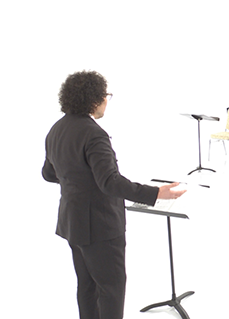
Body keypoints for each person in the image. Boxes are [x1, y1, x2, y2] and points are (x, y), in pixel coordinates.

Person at [41, 70, 186, 319]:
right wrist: (155, 193)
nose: (106, 101)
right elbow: (109, 182)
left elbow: (48, 174)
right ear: (93, 99)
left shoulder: (56, 129)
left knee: (86, 287)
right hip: (100, 227)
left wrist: (77, 182)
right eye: (105, 96)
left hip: (73, 223)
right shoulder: (93, 133)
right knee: (111, 290)